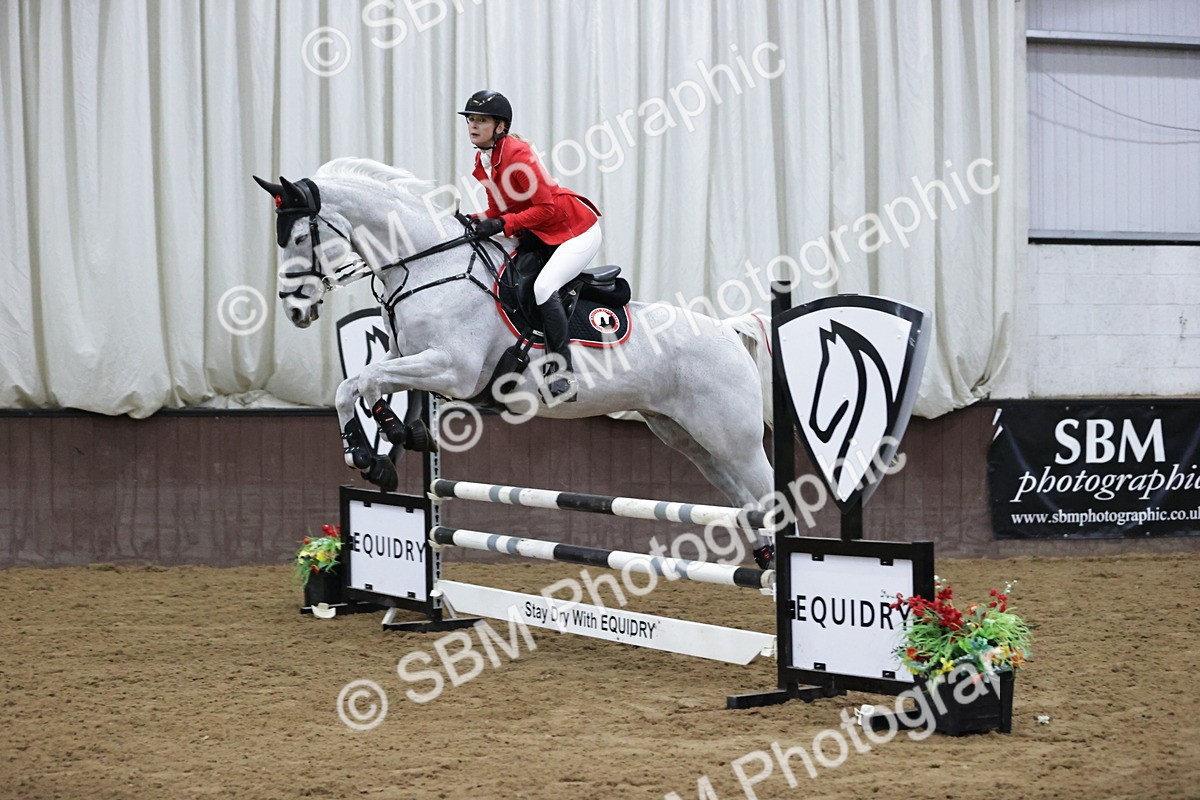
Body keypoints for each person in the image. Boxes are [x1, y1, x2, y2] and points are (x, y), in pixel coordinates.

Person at [459, 90, 602, 399]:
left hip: (575, 230)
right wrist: (471, 219)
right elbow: (498, 210)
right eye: (471, 119)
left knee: (543, 287)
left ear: (500, 127)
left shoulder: (517, 153)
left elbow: (547, 208)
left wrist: (501, 224)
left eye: (481, 120)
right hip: (540, 234)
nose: (473, 125)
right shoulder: (483, 160)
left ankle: (562, 372)